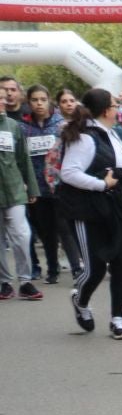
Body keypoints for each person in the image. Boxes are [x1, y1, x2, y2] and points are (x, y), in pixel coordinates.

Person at [57, 88, 122, 339]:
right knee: (95, 269)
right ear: (107, 110)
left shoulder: (113, 135)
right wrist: (102, 184)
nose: (118, 108)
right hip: (91, 213)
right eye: (115, 105)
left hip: (119, 210)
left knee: (121, 266)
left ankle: (118, 319)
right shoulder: (86, 137)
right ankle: (81, 300)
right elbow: (69, 173)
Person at [19, 86, 70, 285]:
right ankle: (52, 267)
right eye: (34, 100)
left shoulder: (60, 125)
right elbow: (22, 159)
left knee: (64, 229)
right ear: (29, 102)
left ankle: (76, 266)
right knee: (46, 231)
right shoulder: (23, 128)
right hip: (37, 188)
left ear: (49, 101)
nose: (39, 103)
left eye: (42, 99)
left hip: (59, 186)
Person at [0, 97, 39, 301]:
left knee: (22, 235)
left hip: (15, 191)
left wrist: (31, 187)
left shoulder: (12, 126)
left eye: (1, 99)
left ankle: (25, 281)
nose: (2, 102)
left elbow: (24, 158)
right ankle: (4, 282)